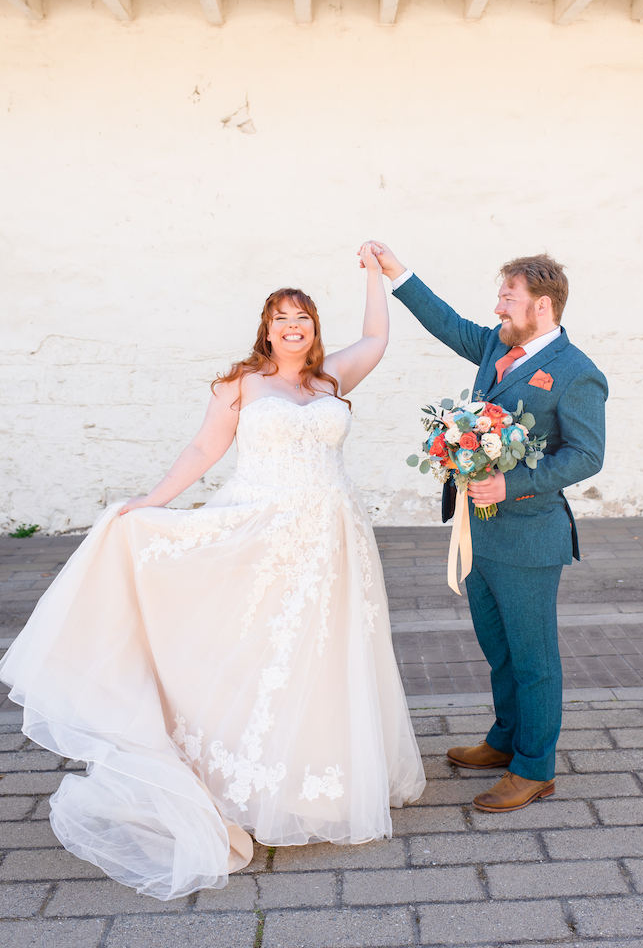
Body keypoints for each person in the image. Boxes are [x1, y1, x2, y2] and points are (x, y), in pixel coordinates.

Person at [0, 243, 425, 900]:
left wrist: (375, 274)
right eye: (281, 319)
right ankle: (241, 782)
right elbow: (203, 447)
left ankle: (311, 784)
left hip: (334, 546)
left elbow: (376, 335)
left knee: (320, 657)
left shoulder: (331, 380)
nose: (293, 328)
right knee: (255, 655)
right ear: (266, 328)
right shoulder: (242, 384)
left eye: (303, 319)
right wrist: (151, 503)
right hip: (260, 534)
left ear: (314, 330)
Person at [366, 241, 607, 812]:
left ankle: (534, 767)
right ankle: (505, 741)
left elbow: (587, 456)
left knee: (534, 658)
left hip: (528, 536)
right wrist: (396, 272)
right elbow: (446, 322)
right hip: (477, 533)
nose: (498, 308)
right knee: (499, 651)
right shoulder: (497, 346)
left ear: (542, 306)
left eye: (508, 298)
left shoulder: (577, 374)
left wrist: (513, 483)